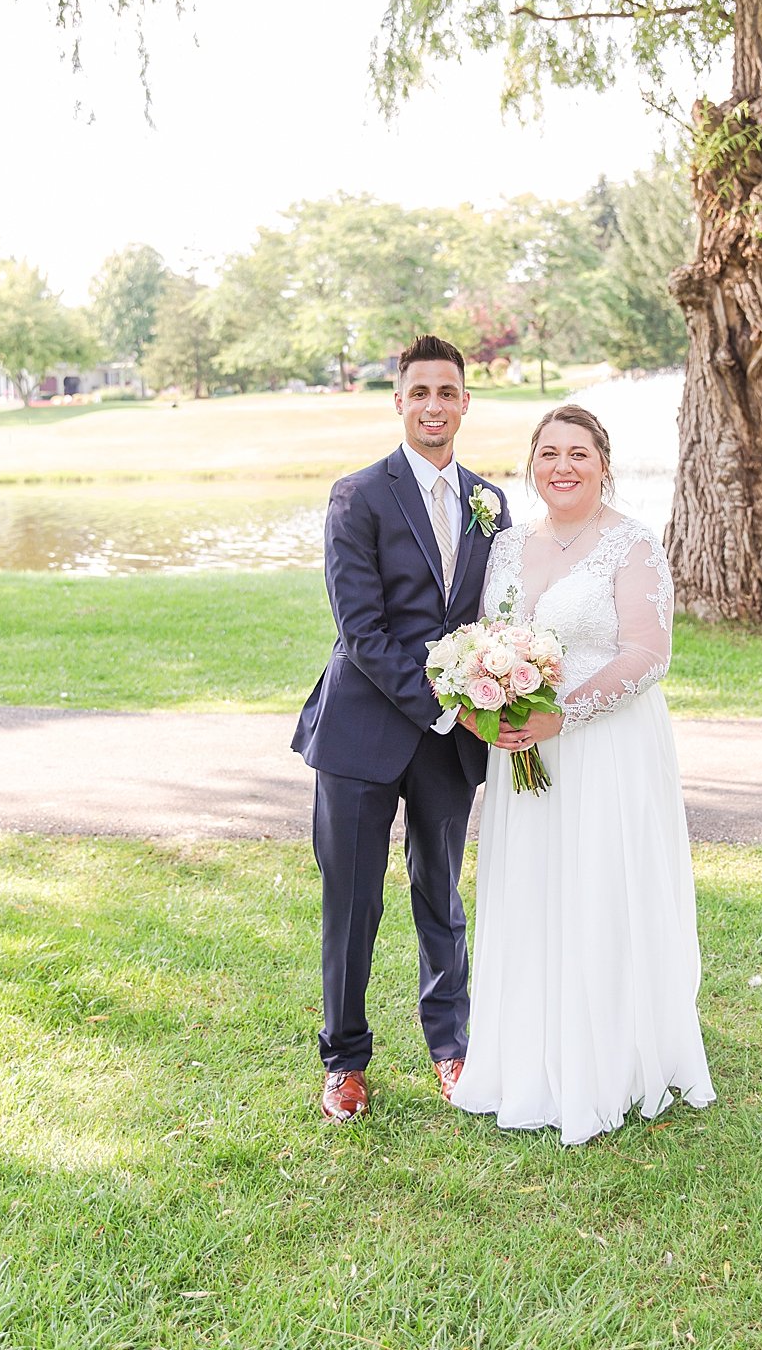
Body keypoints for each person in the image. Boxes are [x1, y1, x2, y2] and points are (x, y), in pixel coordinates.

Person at [449, 405, 714, 1144]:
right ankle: (527, 1052)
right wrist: (483, 699)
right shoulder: (505, 547)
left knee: (600, 884)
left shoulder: (631, 544)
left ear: (604, 463)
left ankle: (610, 1056)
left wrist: (563, 712)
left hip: (605, 748)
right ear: (533, 463)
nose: (562, 466)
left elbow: (647, 654)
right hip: (524, 749)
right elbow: (483, 639)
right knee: (533, 887)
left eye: (579, 453)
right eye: (549, 452)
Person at [293, 333, 511, 1122]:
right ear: (398, 401)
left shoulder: (492, 503)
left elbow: (494, 615)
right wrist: (439, 701)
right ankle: (344, 1060)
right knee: (352, 904)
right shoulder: (359, 496)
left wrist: (494, 689)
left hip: (452, 742)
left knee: (440, 894)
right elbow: (362, 630)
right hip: (362, 732)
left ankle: (451, 1049)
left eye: (447, 392)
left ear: (463, 403)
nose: (433, 406)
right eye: (419, 392)